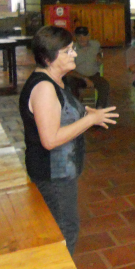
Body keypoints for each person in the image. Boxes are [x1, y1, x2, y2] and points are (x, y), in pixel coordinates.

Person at [20, 26, 117, 254]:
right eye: (66, 51)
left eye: (72, 49)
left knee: (64, 227)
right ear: (47, 58)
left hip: (62, 170)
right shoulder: (44, 88)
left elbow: (62, 110)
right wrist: (90, 120)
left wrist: (84, 112)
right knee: (65, 230)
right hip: (52, 173)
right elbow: (50, 140)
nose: (73, 54)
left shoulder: (55, 81)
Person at [63, 26, 109, 108]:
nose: (82, 38)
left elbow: (100, 52)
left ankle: (100, 108)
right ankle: (76, 108)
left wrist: (99, 56)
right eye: (79, 36)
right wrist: (85, 79)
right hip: (77, 76)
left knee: (104, 85)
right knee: (69, 84)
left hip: (93, 75)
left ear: (88, 36)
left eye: (84, 36)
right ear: (75, 38)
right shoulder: (71, 48)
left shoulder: (95, 44)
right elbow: (68, 71)